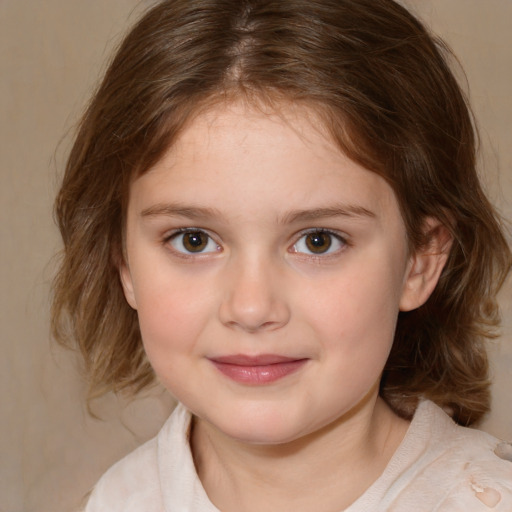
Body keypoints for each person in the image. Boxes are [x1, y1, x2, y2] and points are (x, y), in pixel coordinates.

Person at [52, 0, 512, 510]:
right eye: (194, 240)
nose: (251, 308)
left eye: (318, 240)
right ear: (124, 264)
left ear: (420, 261)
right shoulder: (117, 501)